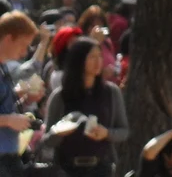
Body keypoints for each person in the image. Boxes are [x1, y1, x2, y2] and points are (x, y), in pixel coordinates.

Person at [43, 36, 130, 177]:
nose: (98, 62)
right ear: (79, 60)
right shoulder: (60, 96)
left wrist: (106, 133)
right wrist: (58, 133)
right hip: (67, 169)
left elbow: (124, 131)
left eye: (100, 56)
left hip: (102, 168)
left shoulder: (111, 92)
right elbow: (47, 140)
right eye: (92, 57)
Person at [0, 11, 39, 177]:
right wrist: (9, 120)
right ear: (9, 39)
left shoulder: (3, 68)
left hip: (10, 157)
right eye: (23, 45)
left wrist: (23, 98)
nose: (25, 53)